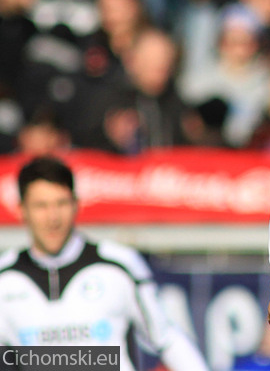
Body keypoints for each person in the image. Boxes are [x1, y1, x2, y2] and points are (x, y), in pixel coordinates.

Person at [0, 156, 209, 371]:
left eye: (61, 204)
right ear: (21, 210)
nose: (53, 217)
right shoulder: (4, 277)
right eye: (41, 206)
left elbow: (167, 340)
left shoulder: (119, 264)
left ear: (76, 205)